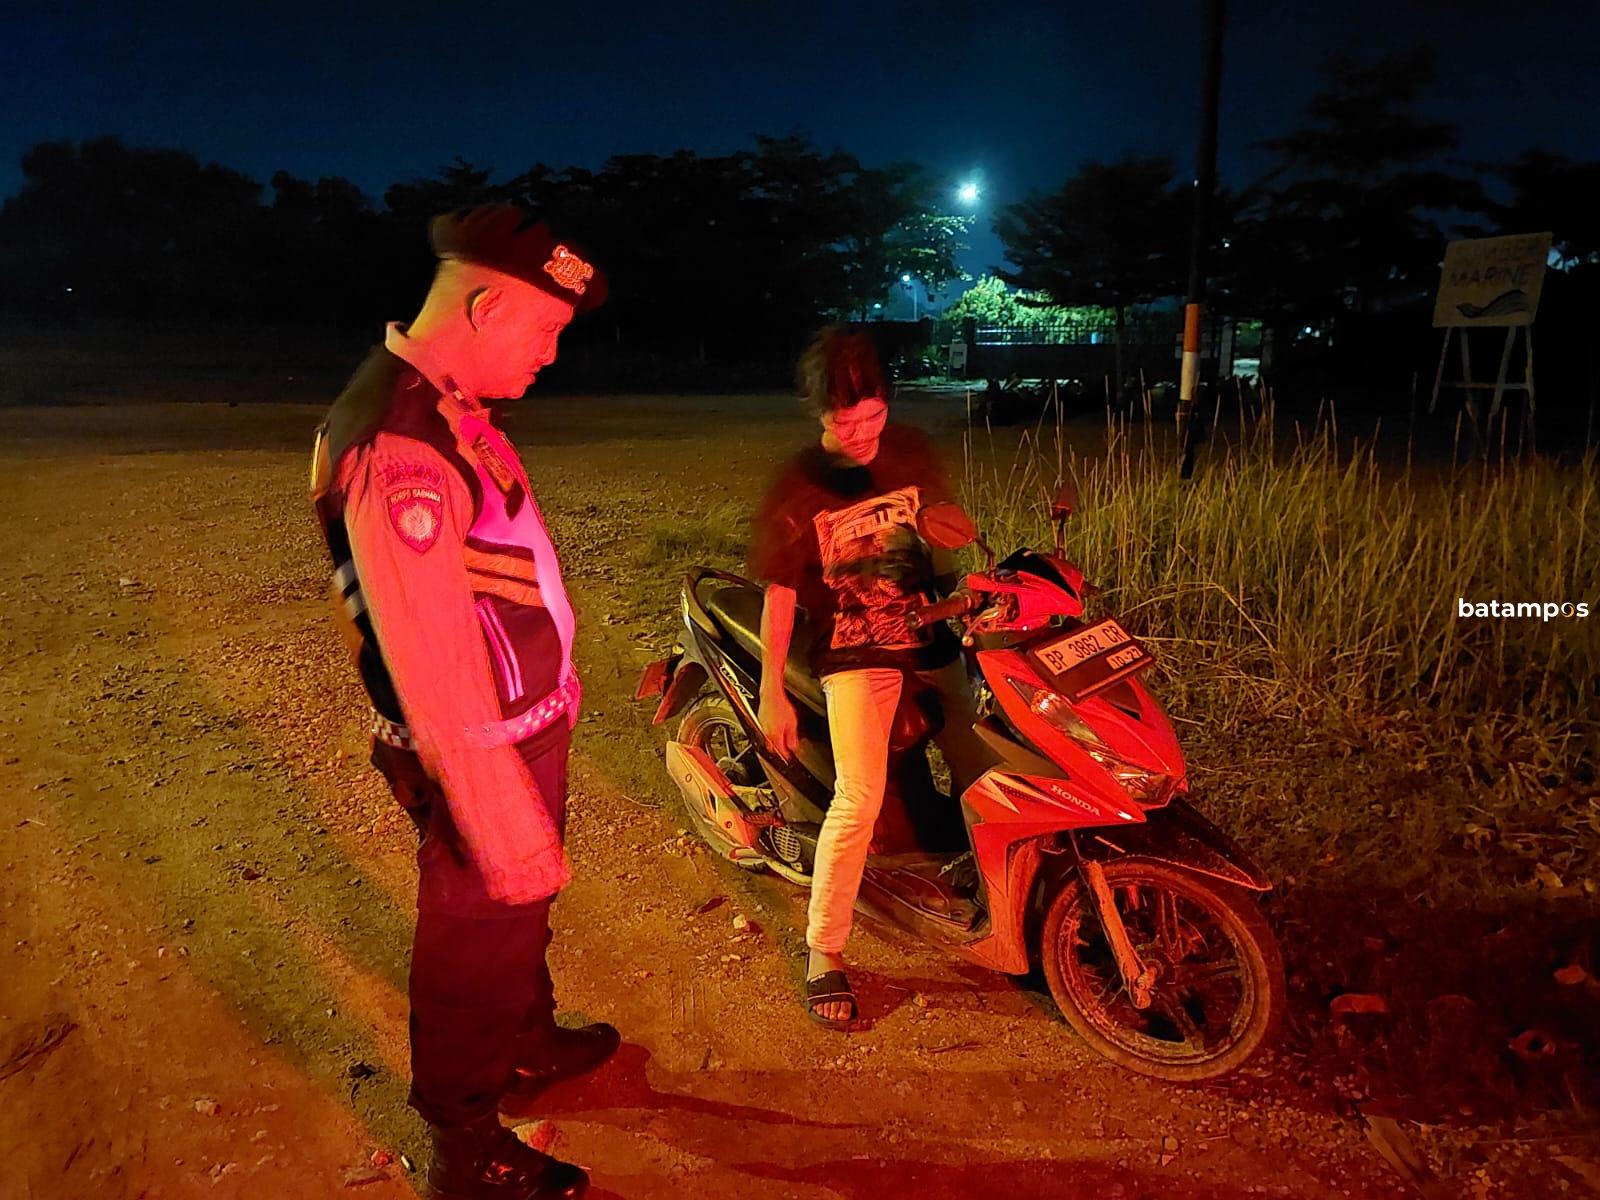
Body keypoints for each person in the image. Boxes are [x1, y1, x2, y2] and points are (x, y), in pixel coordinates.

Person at [310, 205, 616, 1200]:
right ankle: (467, 1140)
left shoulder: (445, 407)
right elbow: (432, 657)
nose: (552, 355)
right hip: (477, 744)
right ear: (485, 307)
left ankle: (525, 1044)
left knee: (513, 927)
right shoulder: (401, 437)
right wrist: (495, 812)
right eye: (546, 330)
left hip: (519, 725)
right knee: (476, 941)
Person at [749, 328, 989, 1031]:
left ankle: (990, 889)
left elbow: (943, 534)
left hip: (929, 632)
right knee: (859, 796)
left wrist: (962, 565)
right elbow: (780, 595)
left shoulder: (910, 452)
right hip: (854, 651)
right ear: (819, 414)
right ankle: (824, 947)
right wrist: (770, 691)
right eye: (844, 422)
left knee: (986, 761)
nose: (861, 436)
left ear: (889, 402)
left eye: (873, 416)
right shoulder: (799, 487)